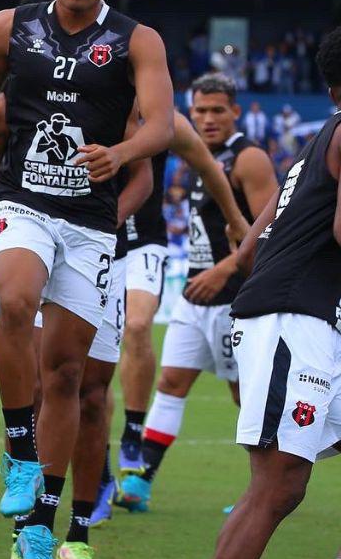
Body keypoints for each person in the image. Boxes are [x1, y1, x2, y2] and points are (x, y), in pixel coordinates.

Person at [0, 0, 174, 559]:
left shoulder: (137, 39)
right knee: (15, 302)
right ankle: (20, 453)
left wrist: (122, 152)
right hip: (23, 203)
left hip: (90, 223)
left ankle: (40, 529)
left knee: (67, 377)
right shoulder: (9, 27)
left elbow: (162, 124)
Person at [206, 27, 341, 559]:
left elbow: (248, 249)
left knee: (277, 484)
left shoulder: (318, 142)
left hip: (301, 313)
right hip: (295, 318)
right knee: (278, 485)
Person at [118, 73, 278, 513]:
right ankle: (140, 481)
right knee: (170, 382)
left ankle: (263, 491)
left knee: (246, 395)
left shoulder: (249, 159)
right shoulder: (196, 156)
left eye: (217, 110)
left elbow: (273, 230)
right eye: (200, 110)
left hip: (237, 298)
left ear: (236, 112)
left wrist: (224, 269)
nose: (208, 119)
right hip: (194, 295)